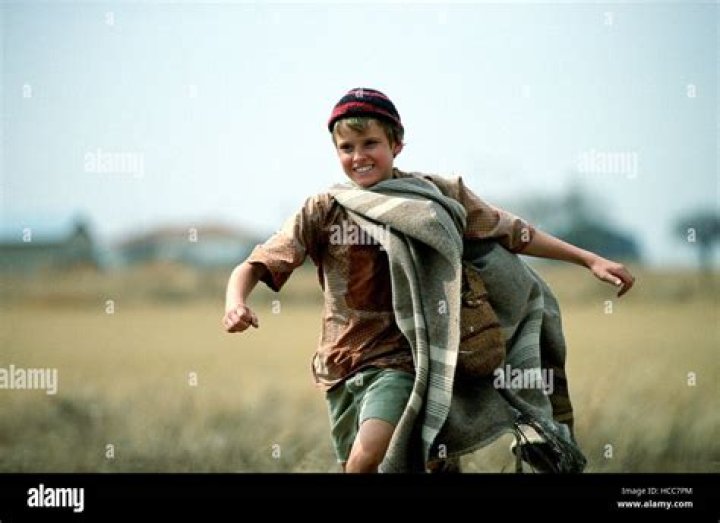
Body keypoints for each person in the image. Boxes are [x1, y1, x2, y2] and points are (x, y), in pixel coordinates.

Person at [222, 87, 635, 473]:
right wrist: (235, 302)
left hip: (406, 363)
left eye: (370, 144)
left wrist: (588, 259)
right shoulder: (325, 209)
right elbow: (257, 263)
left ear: (396, 144)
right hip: (340, 365)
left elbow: (513, 232)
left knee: (367, 457)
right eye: (347, 148)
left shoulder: (436, 197)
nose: (359, 156)